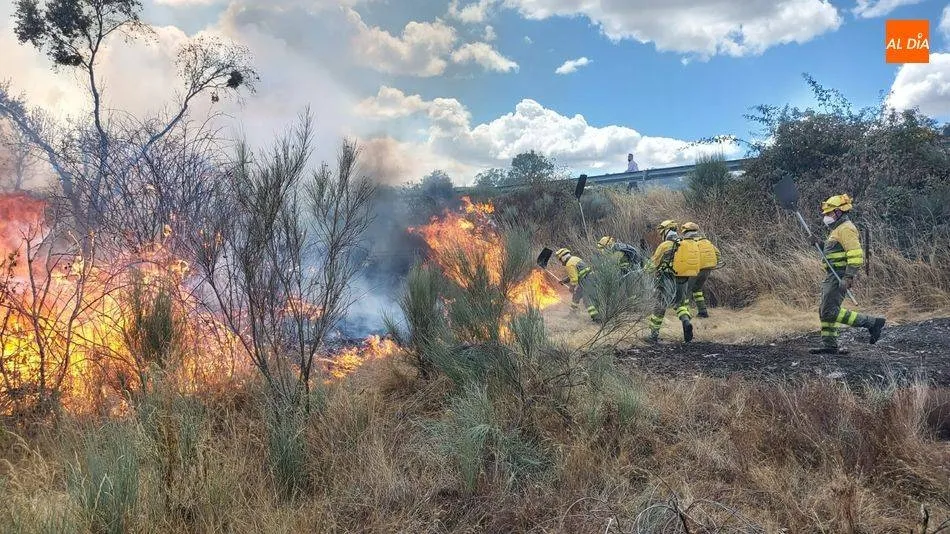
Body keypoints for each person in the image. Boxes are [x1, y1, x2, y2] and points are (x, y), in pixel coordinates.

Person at [810, 194, 886, 354]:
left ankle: (872, 323)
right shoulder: (838, 229)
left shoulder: (847, 228)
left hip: (839, 275)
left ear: (839, 212)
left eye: (829, 213)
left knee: (829, 311)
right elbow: (835, 251)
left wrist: (848, 276)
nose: (826, 217)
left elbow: (856, 254)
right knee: (825, 310)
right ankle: (829, 345)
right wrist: (820, 243)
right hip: (832, 275)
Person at [645, 220, 699, 343]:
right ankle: (686, 322)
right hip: (683, 280)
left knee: (660, 306)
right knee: (680, 305)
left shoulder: (665, 246)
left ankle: (653, 335)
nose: (661, 234)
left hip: (666, 280)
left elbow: (653, 264)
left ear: (666, 231)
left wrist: (644, 270)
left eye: (661, 232)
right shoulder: (684, 244)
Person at [679, 222, 721, 318]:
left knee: (686, 291)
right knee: (697, 290)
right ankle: (703, 312)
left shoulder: (686, 242)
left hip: (694, 270)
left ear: (685, 231)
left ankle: (685, 314)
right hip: (707, 270)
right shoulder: (705, 241)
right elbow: (718, 254)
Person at [554, 248, 600, 323]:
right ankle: (572, 314)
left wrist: (571, 288)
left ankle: (597, 319)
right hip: (589, 279)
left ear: (563, 257)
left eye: (560, 259)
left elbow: (574, 279)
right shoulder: (575, 258)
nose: (560, 261)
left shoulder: (569, 264)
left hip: (587, 281)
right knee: (576, 296)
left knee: (587, 300)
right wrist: (564, 281)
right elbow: (575, 274)